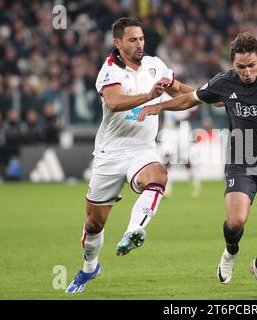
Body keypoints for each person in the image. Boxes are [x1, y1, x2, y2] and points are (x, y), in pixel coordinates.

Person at [138, 32, 257, 292]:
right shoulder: (224, 82)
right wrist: (160, 107)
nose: (247, 72)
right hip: (243, 159)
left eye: (252, 66)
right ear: (232, 63)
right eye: (241, 67)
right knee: (236, 220)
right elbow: (191, 98)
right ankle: (230, 252)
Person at [65, 17, 195, 294]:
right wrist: (149, 96)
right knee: (94, 222)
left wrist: (210, 95)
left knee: (158, 174)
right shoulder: (109, 70)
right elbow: (113, 102)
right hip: (110, 154)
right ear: (118, 43)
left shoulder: (154, 65)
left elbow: (179, 90)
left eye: (142, 38)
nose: (140, 44)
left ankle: (133, 230)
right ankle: (90, 268)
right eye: (133, 40)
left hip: (142, 150)